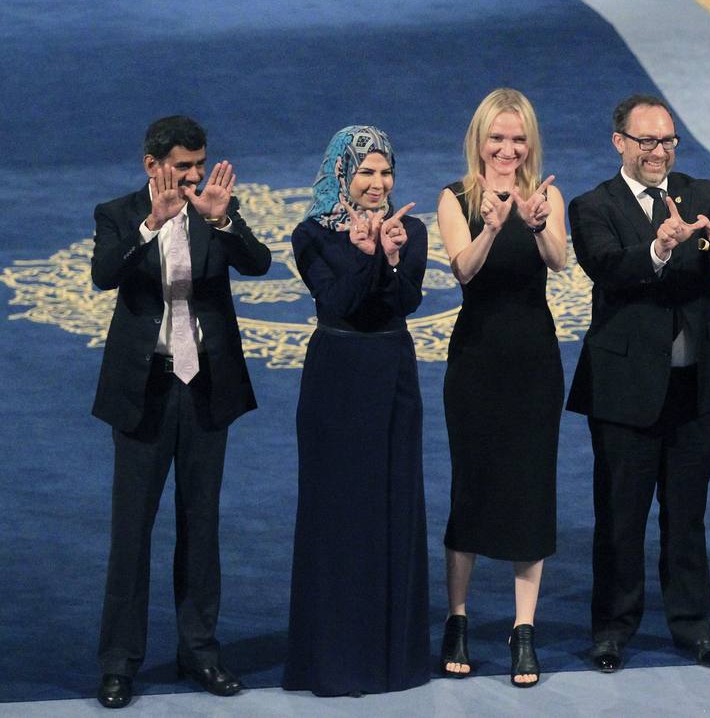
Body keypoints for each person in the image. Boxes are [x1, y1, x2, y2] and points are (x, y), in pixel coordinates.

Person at [567, 93, 710, 673]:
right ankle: (612, 630)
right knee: (620, 515)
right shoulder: (592, 205)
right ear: (619, 141)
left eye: (668, 140)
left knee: (687, 513)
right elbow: (607, 268)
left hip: (698, 384)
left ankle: (693, 626)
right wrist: (659, 246)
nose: (659, 151)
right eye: (647, 141)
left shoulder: (704, 195)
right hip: (624, 387)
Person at [91, 115, 270, 709]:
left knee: (202, 527)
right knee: (131, 532)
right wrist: (151, 225)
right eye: (183, 167)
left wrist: (221, 219)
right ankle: (119, 662)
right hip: (143, 391)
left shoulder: (214, 207)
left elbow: (259, 262)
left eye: (200, 164)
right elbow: (102, 274)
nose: (194, 176)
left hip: (204, 391)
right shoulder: (119, 214)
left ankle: (200, 652)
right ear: (152, 166)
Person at [283, 125, 431, 697]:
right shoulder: (310, 235)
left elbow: (404, 302)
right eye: (366, 172)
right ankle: (336, 660)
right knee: (337, 512)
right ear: (342, 174)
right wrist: (365, 256)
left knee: (393, 505)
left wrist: (392, 259)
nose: (378, 183)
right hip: (337, 379)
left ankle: (394, 660)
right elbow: (337, 302)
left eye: (385, 172)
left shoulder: (409, 229)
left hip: (392, 374)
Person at [435, 89, 567, 688]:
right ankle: (457, 619)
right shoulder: (455, 197)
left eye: (518, 139)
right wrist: (490, 226)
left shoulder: (546, 195)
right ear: (480, 140)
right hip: (476, 362)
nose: (508, 150)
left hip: (534, 362)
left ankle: (523, 630)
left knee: (530, 485)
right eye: (498, 138)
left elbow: (560, 260)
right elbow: (462, 268)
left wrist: (535, 224)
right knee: (474, 484)